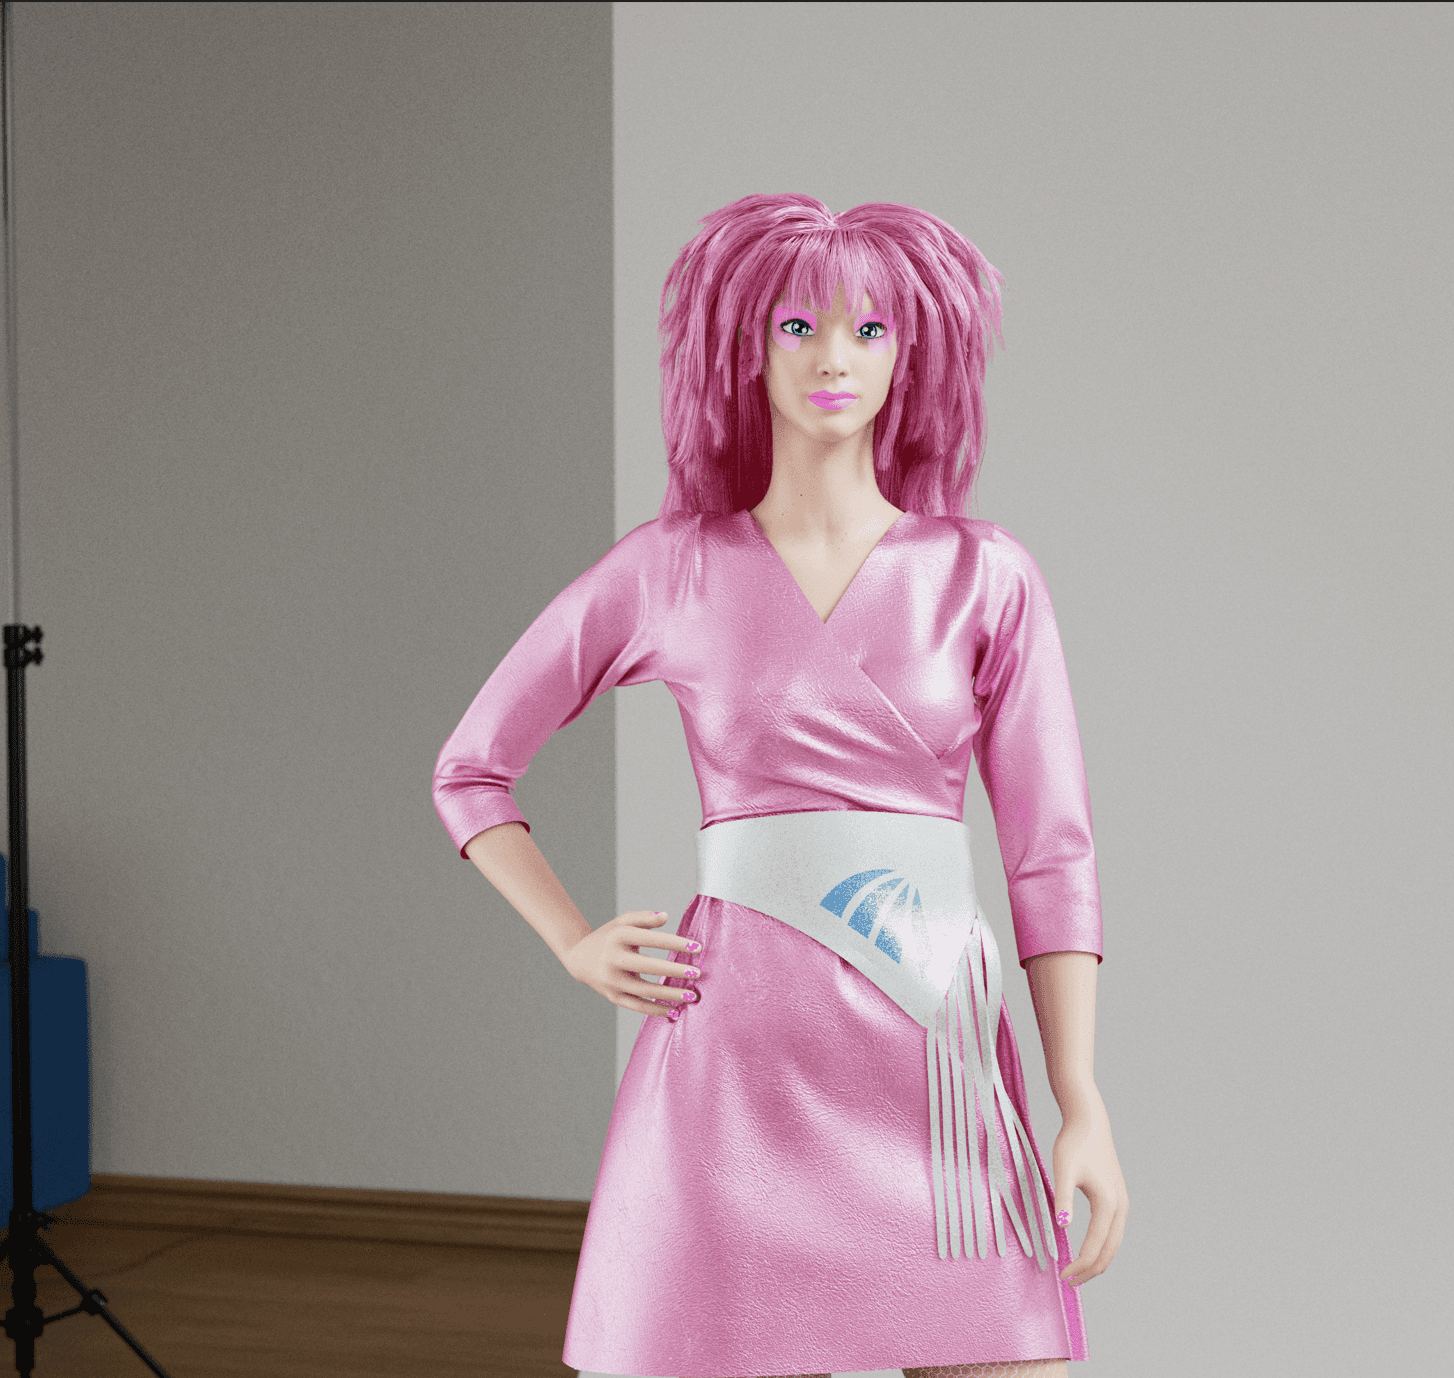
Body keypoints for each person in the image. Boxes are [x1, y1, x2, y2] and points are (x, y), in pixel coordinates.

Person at [432, 193, 1127, 1378]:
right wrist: (573, 941)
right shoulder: (671, 568)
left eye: (869, 329)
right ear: (743, 350)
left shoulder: (985, 575)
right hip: (737, 1068)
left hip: (936, 1057)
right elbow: (470, 769)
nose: (831, 358)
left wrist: (1080, 1098)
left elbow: (1050, 855)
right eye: (797, 327)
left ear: (912, 355)